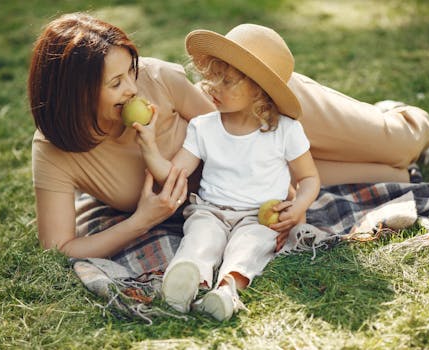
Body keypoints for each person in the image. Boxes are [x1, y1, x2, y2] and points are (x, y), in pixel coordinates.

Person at [28, 13, 429, 283]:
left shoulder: (157, 79)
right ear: (76, 95)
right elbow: (59, 247)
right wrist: (139, 222)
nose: (133, 88)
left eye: (130, 72)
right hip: (242, 185)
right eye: (116, 83)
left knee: (397, 143)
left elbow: (232, 122)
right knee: (394, 175)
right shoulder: (55, 152)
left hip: (266, 112)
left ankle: (415, 120)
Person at [132, 23, 320, 321]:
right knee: (200, 239)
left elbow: (309, 178)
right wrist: (149, 147)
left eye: (227, 81)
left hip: (259, 216)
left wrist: (299, 208)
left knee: (250, 247)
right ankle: (187, 280)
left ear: (260, 91)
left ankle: (227, 291)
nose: (213, 87)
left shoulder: (285, 131)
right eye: (212, 77)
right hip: (210, 211)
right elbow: (173, 175)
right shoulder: (204, 127)